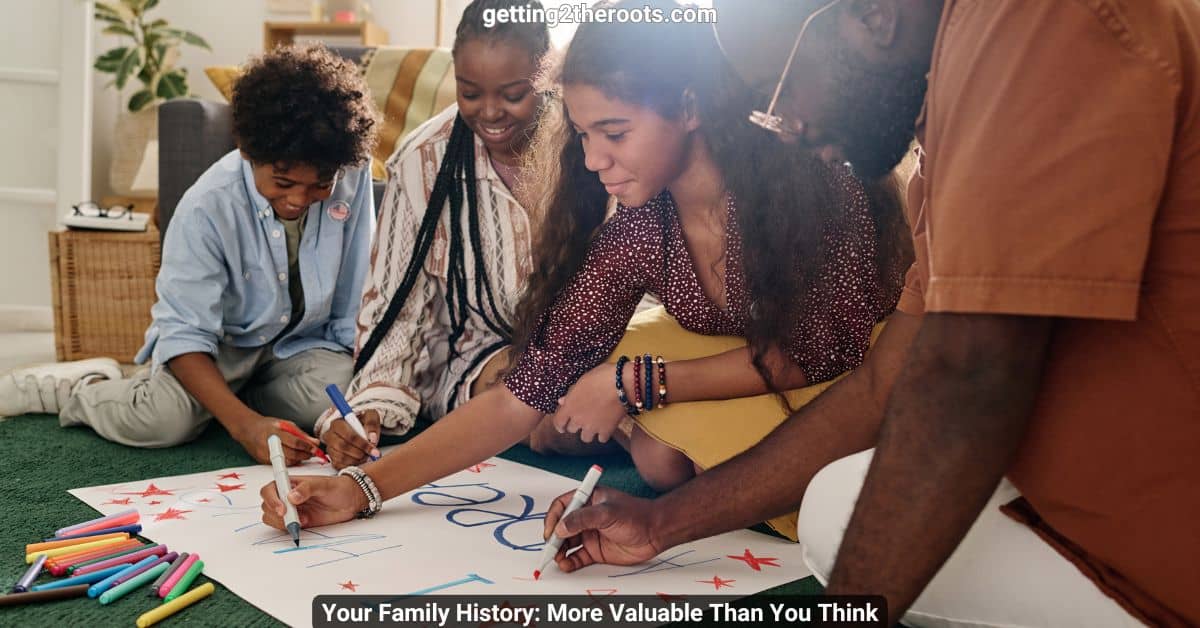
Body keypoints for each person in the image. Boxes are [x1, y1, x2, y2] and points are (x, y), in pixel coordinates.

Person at [538, 1, 1200, 626]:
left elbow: (966, 377)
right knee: (835, 506)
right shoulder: (948, 124)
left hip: (1162, 547)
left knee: (846, 524)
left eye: (778, 92)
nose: (785, 128)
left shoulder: (1037, 21)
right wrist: (661, 525)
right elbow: (888, 384)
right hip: (1078, 499)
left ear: (874, 18)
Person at [259, 0, 909, 541]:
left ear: (688, 107)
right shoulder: (642, 226)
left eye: (615, 132)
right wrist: (361, 486)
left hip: (866, 363)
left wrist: (633, 382)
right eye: (583, 134)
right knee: (658, 458)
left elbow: (825, 351)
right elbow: (520, 399)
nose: (594, 159)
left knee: (823, 510)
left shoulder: (813, 175)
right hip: (748, 351)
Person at [0, 44, 378, 466]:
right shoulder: (206, 206)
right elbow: (183, 335)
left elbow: (355, 301)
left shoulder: (350, 174)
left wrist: (352, 404)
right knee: (167, 421)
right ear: (250, 151)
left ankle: (237, 400)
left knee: (346, 393)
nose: (299, 199)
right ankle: (85, 387)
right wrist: (245, 427)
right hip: (219, 349)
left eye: (318, 185)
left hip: (298, 349)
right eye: (284, 182)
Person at [314, 0, 554, 468]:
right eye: (470, 93)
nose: (490, 112)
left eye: (512, 94)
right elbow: (396, 303)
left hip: (606, 341)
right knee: (543, 414)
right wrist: (372, 406)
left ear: (548, 74)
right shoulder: (423, 161)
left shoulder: (591, 137)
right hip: (486, 350)